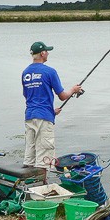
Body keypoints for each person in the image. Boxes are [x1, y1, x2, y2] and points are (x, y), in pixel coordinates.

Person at [22, 41, 83, 181]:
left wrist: (51, 111)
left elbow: (29, 96)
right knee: (45, 157)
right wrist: (74, 90)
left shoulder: (25, 72)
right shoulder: (49, 71)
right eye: (47, 51)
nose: (48, 53)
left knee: (30, 156)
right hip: (44, 118)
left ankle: (27, 187)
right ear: (42, 53)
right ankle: (42, 188)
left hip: (30, 116)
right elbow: (62, 96)